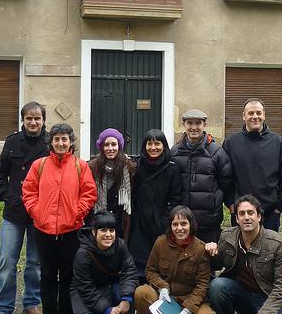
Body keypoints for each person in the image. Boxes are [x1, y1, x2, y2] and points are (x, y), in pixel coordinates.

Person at [22, 123, 97, 314]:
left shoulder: (80, 166)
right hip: (44, 229)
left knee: (68, 274)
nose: (61, 143)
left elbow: (89, 193)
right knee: (47, 274)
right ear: (51, 142)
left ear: (70, 141)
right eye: (57, 139)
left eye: (64, 139)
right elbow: (28, 191)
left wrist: (76, 213)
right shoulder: (39, 165)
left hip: (70, 229)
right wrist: (37, 213)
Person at [0, 101, 49, 314]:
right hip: (13, 213)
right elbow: (0, 173)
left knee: (35, 262)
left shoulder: (50, 143)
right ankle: (4, 308)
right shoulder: (12, 142)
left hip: (38, 213)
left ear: (43, 121)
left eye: (37, 118)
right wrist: (7, 196)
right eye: (29, 118)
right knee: (7, 261)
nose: (33, 122)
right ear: (23, 120)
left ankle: (32, 303)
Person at [206, 195, 282, 314]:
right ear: (237, 219)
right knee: (217, 286)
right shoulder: (227, 237)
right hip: (243, 293)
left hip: (269, 296)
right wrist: (211, 252)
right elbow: (218, 264)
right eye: (242, 213)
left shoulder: (276, 243)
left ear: (259, 216)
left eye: (251, 213)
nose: (246, 217)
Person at [134, 205, 217, 314]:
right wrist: (162, 288)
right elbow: (150, 271)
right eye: (175, 224)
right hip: (166, 297)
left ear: (191, 225)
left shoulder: (200, 249)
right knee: (141, 293)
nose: (179, 228)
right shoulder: (160, 243)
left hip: (190, 298)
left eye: (184, 224)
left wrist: (189, 310)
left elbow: (202, 285)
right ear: (170, 226)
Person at [70, 211, 138, 314]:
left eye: (111, 230)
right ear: (94, 232)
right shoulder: (83, 254)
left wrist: (126, 299)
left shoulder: (121, 245)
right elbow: (85, 288)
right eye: (103, 230)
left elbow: (129, 271)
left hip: (112, 285)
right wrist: (106, 310)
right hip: (87, 292)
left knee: (129, 293)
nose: (108, 235)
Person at [223, 98, 282, 232]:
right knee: (241, 245)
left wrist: (280, 207)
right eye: (251, 113)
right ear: (244, 116)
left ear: (264, 115)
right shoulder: (231, 143)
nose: (255, 116)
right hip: (241, 213)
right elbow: (225, 177)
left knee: (269, 246)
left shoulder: (278, 143)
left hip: (270, 213)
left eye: (259, 113)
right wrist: (231, 204)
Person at [170, 109, 232, 243]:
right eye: (189, 123)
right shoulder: (175, 152)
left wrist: (214, 202)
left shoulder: (216, 152)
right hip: (182, 222)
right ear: (184, 124)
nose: (194, 127)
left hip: (208, 221)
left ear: (204, 125)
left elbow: (226, 182)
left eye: (198, 123)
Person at [128, 129, 182, 281]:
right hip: (139, 223)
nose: (153, 147)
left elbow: (176, 198)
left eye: (157, 143)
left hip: (160, 223)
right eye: (149, 144)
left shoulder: (172, 168)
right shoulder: (136, 166)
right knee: (138, 265)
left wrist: (165, 221)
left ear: (163, 146)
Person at [89, 128, 134, 241]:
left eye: (114, 144)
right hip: (99, 220)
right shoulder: (92, 167)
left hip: (121, 221)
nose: (110, 148)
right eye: (106, 145)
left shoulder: (129, 167)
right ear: (101, 147)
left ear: (119, 146)